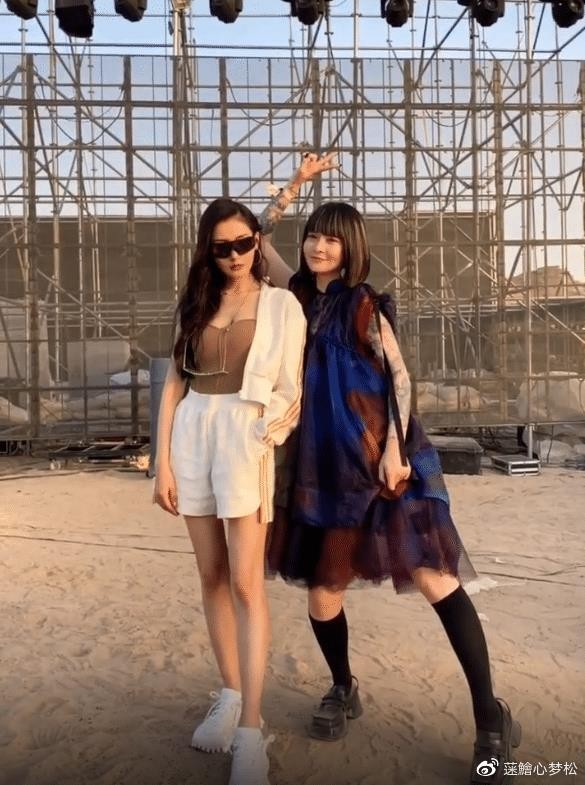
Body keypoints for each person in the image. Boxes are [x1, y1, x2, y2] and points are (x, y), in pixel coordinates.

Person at [257, 156, 521, 785]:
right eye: (313, 236)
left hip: (380, 461)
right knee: (323, 596)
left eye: (332, 239)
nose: (319, 247)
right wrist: (294, 188)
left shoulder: (364, 305)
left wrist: (396, 448)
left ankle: (491, 717)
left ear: (351, 249)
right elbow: (257, 240)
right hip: (323, 469)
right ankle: (343, 686)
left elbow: (400, 378)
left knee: (435, 578)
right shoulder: (296, 297)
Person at [153, 197, 306, 785]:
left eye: (245, 242)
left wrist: (269, 432)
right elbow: (174, 384)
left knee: (245, 582)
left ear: (256, 242)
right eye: (223, 247)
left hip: (246, 436)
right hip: (193, 433)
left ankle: (251, 729)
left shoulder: (281, 304)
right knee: (211, 575)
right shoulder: (196, 302)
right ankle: (230, 695)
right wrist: (162, 464)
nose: (236, 255)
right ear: (208, 250)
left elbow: (291, 384)